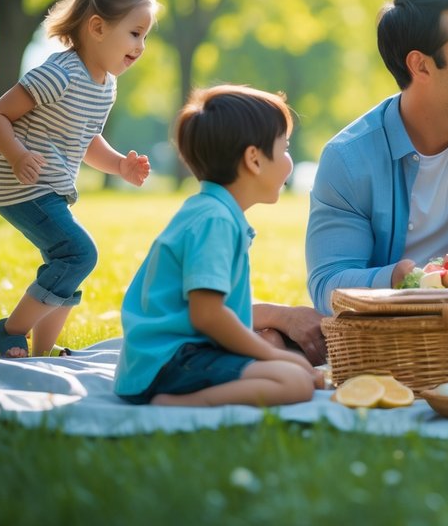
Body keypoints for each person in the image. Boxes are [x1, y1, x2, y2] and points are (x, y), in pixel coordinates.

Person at [306, 0, 448, 314]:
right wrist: (398, 278)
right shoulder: (348, 159)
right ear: (420, 65)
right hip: (392, 337)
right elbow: (327, 283)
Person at [0, 0, 156, 359]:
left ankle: (44, 351)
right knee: (79, 254)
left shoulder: (105, 85)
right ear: (97, 27)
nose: (141, 45)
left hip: (50, 186)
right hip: (20, 184)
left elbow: (86, 139)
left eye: (145, 36)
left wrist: (119, 166)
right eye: (134, 33)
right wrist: (17, 155)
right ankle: (10, 331)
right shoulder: (59, 74)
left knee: (67, 263)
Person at [115, 85, 320, 407]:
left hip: (177, 355)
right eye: (285, 147)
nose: (289, 160)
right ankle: (175, 404)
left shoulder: (211, 210)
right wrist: (267, 355)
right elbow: (207, 315)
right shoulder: (216, 221)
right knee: (293, 381)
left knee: (290, 365)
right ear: (254, 159)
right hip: (171, 362)